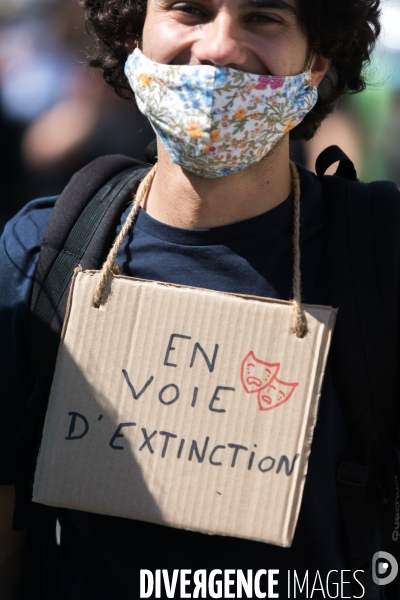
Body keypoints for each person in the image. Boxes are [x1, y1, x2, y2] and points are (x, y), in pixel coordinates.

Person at [0, 0, 393, 598]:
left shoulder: (382, 255)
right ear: (135, 38)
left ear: (316, 64)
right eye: (190, 11)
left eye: (263, 17)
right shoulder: (39, 256)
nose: (218, 47)